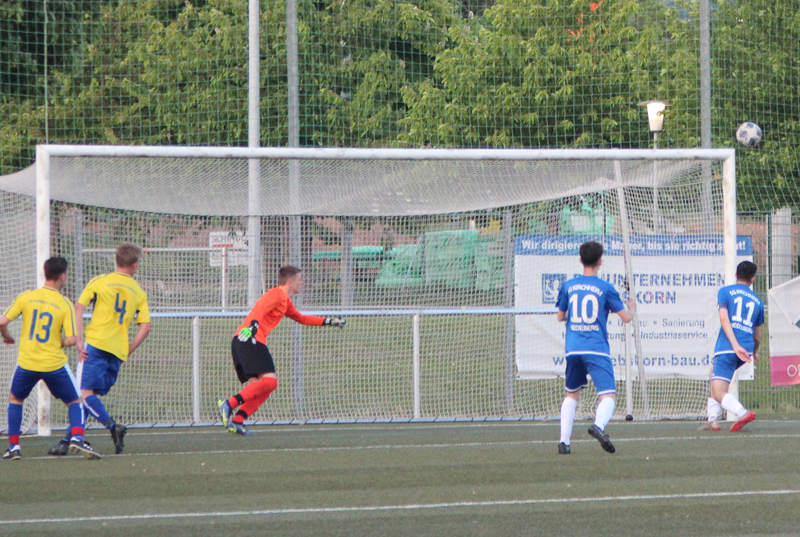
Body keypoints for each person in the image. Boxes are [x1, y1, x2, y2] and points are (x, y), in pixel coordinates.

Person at [218, 266, 345, 435]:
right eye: (300, 280)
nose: (303, 283)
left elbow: (301, 318)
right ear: (290, 282)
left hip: (245, 341)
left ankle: (238, 421)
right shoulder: (277, 294)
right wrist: (254, 326)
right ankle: (229, 404)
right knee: (271, 382)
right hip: (250, 338)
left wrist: (328, 321)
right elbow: (259, 308)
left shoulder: (285, 301)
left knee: (262, 387)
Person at [49, 243, 150, 456]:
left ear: (116, 260)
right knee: (89, 395)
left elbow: (78, 306)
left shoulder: (100, 281)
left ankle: (113, 427)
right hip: (117, 351)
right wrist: (128, 350)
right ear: (134, 265)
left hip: (95, 344)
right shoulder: (139, 291)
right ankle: (68, 441)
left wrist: (77, 340)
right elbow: (145, 327)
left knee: (82, 395)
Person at [0, 257, 99, 459]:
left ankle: (14, 447)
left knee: (16, 399)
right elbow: (73, 339)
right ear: (62, 276)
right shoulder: (64, 304)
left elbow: (2, 321)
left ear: (45, 273)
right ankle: (78, 438)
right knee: (76, 401)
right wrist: (57, 341)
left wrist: (6, 335)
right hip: (53, 364)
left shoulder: (27, 297)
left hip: (27, 363)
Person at [555, 241, 636, 455]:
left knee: (571, 395)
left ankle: (564, 442)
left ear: (580, 260)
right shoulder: (606, 288)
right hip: (596, 348)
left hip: (573, 348)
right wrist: (632, 308)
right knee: (608, 396)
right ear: (600, 261)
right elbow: (626, 318)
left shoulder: (568, 286)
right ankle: (598, 427)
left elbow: (560, 316)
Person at [706, 261, 763, 432]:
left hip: (729, 346)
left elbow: (725, 320)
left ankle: (742, 413)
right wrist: (754, 352)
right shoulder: (758, 302)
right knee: (713, 374)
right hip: (746, 348)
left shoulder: (725, 292)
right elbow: (757, 336)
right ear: (752, 278)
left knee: (718, 391)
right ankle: (712, 420)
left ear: (736, 275)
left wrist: (735, 345)